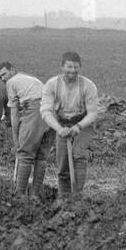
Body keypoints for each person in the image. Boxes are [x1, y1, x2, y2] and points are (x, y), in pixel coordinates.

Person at [40, 51, 103, 197]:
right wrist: (59, 129)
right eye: (69, 67)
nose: (72, 71)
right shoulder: (52, 85)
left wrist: (78, 127)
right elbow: (45, 111)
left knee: (78, 155)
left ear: (80, 68)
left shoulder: (88, 85)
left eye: (76, 67)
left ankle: (77, 196)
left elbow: (93, 113)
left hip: (83, 123)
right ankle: (64, 197)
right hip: (61, 124)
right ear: (62, 67)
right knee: (62, 164)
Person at [0, 62, 51, 197]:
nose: (3, 78)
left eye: (4, 74)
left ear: (12, 70)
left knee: (25, 154)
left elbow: (14, 114)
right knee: (41, 156)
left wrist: (16, 140)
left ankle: (19, 195)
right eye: (0, 77)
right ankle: (35, 195)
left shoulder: (11, 82)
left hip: (37, 110)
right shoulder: (31, 79)